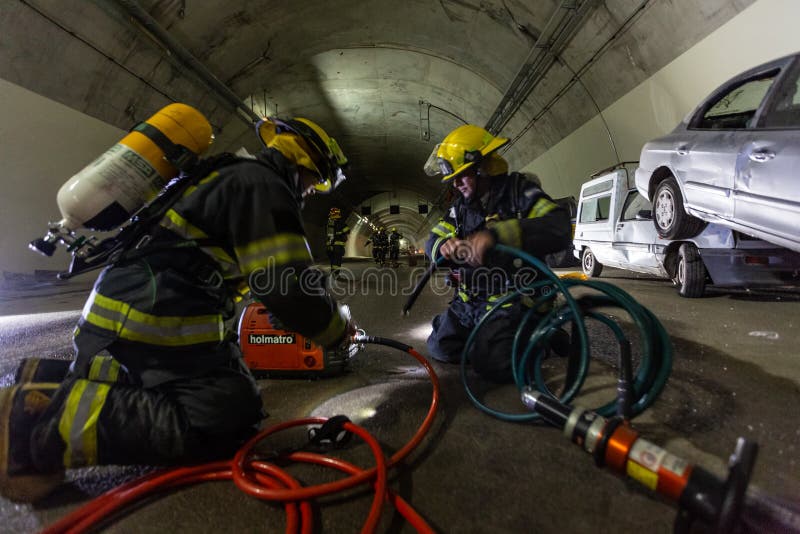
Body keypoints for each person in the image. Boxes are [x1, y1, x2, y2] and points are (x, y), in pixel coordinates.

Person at [0, 115, 357, 502]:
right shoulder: (264, 187)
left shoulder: (229, 173)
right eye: (313, 182)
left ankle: (40, 380)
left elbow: (252, 273)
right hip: (151, 321)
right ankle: (32, 425)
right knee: (224, 418)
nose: (310, 193)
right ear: (304, 164)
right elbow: (287, 286)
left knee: (234, 390)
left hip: (126, 316)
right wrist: (335, 330)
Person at [423, 124, 571, 383]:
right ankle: (497, 340)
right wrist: (443, 246)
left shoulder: (519, 192)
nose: (456, 185)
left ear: (482, 168)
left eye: (463, 176)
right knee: (440, 347)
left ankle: (539, 336)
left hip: (514, 301)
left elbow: (558, 226)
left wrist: (499, 235)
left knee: (491, 364)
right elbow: (432, 240)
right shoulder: (461, 208)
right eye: (453, 179)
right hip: (471, 303)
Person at [326, 207, 350, 278]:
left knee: (333, 260)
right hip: (338, 246)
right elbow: (348, 231)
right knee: (337, 261)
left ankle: (333, 273)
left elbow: (328, 235)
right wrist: (341, 232)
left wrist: (329, 245)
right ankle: (336, 274)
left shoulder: (329, 223)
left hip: (330, 246)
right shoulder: (341, 223)